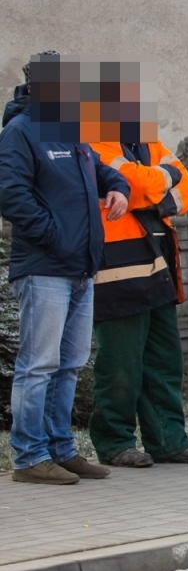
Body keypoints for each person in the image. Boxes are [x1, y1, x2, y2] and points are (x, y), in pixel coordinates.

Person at [0, 53, 129, 485]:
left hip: (79, 269)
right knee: (38, 365)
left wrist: (118, 187)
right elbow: (11, 195)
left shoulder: (70, 134)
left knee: (69, 363)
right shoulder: (20, 132)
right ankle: (29, 457)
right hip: (44, 269)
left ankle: (61, 449)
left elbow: (100, 170)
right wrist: (56, 236)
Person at [87, 67, 188, 467]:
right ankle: (114, 443)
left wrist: (152, 188)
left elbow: (187, 186)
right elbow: (134, 184)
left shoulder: (147, 141)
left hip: (158, 263)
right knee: (121, 360)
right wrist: (161, 182)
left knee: (164, 359)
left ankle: (169, 440)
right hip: (118, 264)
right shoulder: (94, 140)